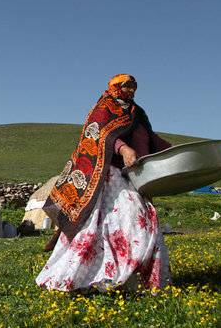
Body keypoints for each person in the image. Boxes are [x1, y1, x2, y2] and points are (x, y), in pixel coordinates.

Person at [36, 74, 172, 293]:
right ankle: (98, 276)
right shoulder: (104, 108)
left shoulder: (137, 113)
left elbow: (151, 139)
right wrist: (124, 149)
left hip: (136, 177)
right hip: (108, 177)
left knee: (144, 222)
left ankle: (135, 279)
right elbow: (100, 135)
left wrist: (178, 151)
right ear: (115, 87)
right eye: (127, 86)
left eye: (134, 87)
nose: (131, 90)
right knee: (115, 223)